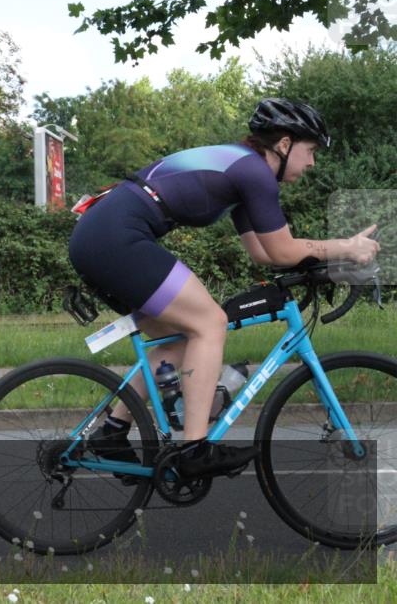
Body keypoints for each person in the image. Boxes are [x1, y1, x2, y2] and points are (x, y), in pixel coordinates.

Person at [67, 98, 381, 479]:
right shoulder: (254, 173)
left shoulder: (242, 170)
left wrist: (333, 264)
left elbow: (266, 254)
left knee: (178, 339)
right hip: (116, 237)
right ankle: (195, 451)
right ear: (284, 144)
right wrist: (346, 246)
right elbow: (282, 248)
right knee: (209, 323)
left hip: (103, 234)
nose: (312, 163)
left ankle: (111, 434)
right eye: (310, 150)